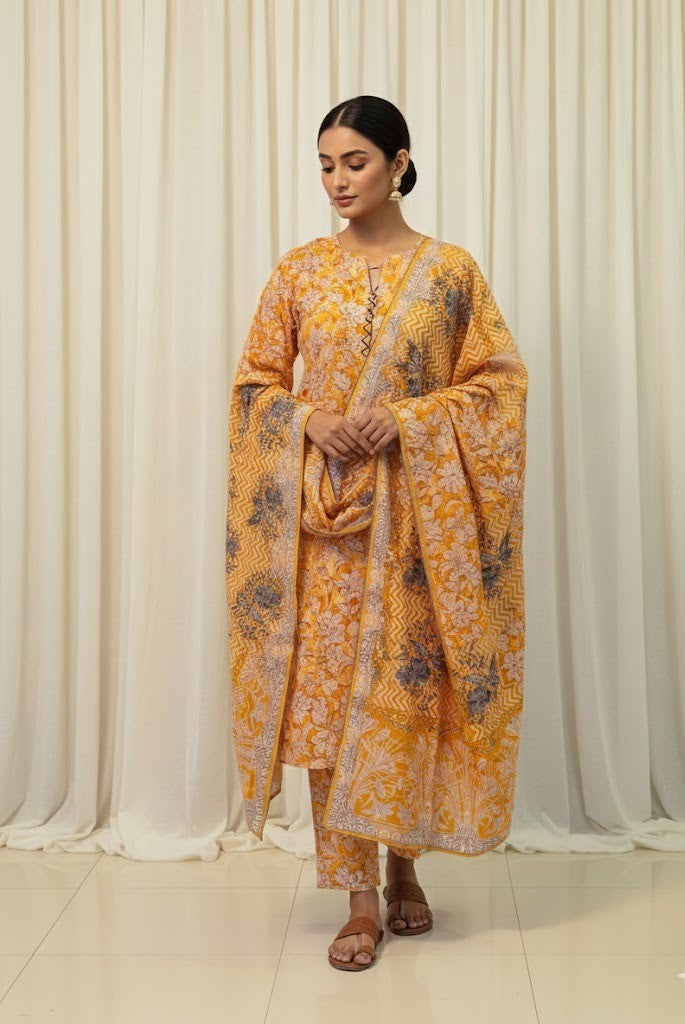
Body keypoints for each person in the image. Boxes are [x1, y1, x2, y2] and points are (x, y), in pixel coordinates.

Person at [225, 95, 528, 971]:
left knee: (406, 688)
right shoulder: (298, 272)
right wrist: (310, 419)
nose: (336, 181)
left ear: (399, 163)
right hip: (321, 526)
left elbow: (498, 386)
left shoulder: (450, 274)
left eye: (354, 161)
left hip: (420, 532)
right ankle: (358, 899)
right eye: (324, 164)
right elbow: (252, 387)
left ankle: (405, 868)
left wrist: (409, 421)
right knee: (329, 710)